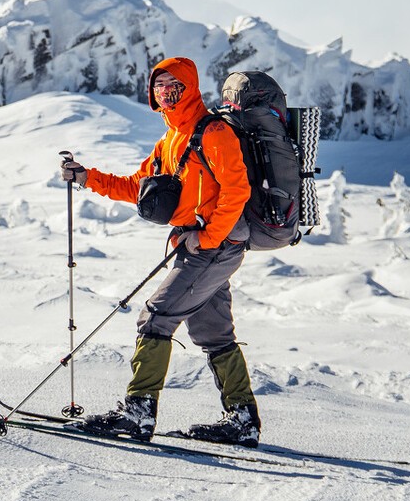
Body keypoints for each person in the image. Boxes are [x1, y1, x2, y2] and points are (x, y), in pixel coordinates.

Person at [59, 56, 262, 447]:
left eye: (174, 85)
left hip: (213, 246)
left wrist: (205, 238)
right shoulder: (170, 140)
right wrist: (88, 178)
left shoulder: (214, 133)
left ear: (190, 87)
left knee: (155, 318)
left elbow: (237, 191)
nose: (166, 92)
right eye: (159, 86)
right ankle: (242, 421)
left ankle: (138, 414)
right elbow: (138, 186)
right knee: (212, 331)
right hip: (199, 245)